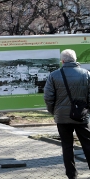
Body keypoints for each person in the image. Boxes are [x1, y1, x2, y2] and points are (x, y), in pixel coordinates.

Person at [44, 49, 90, 179]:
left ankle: (72, 174)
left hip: (62, 117)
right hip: (82, 115)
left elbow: (48, 97)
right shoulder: (86, 74)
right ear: (75, 60)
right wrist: (87, 111)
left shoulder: (54, 75)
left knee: (67, 145)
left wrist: (54, 111)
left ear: (62, 61)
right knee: (87, 144)